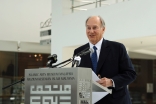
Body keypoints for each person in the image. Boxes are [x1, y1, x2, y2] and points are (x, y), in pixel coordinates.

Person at [73, 15, 136, 104]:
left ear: (103, 29)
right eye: (88, 28)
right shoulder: (79, 51)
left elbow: (130, 74)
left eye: (95, 27)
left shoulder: (118, 48)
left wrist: (111, 82)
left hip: (116, 101)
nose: (91, 31)